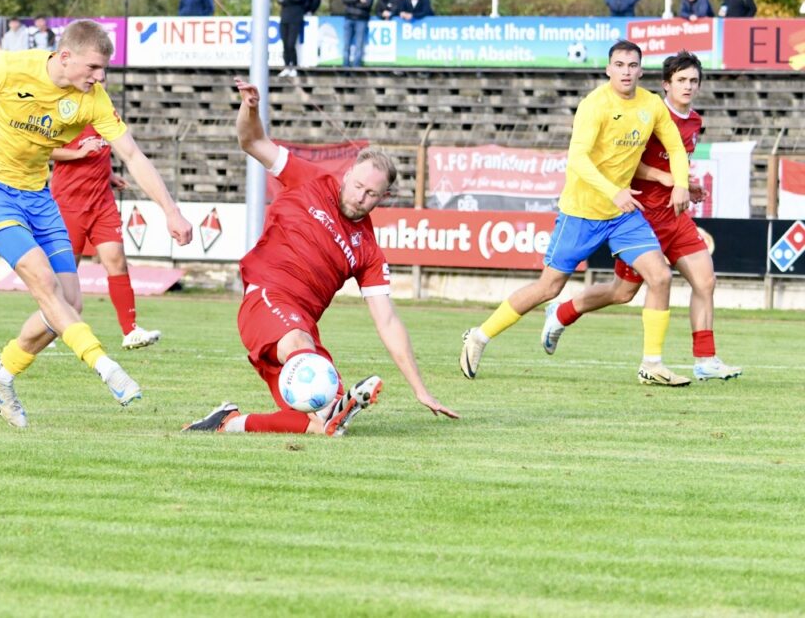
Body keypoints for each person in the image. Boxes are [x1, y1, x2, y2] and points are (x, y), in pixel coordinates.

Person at [0, 20, 193, 429]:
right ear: (65, 57)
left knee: (69, 302)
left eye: (104, 70)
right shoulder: (8, 68)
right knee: (46, 285)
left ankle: (1, 373)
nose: (99, 78)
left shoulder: (93, 99)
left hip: (37, 197)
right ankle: (107, 368)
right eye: (94, 68)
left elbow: (132, 156)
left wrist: (170, 210)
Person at [183, 79, 459, 435]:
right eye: (357, 186)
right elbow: (251, 141)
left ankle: (228, 423)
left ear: (383, 196)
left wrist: (421, 389)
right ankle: (330, 403)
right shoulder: (308, 178)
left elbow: (387, 321)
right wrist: (250, 108)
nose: (360, 197)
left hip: (303, 330)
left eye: (371, 193)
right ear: (347, 175)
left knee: (322, 423)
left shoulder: (369, 250)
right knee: (308, 361)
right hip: (266, 300)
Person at [460, 40, 693, 387]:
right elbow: (578, 160)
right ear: (608, 69)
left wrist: (681, 184)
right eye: (619, 65)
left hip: (622, 213)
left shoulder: (652, 104)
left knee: (659, 276)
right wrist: (614, 190)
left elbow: (674, 146)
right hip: (582, 211)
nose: (626, 71)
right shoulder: (594, 105)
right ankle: (478, 336)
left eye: (633, 65)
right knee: (548, 287)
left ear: (641, 70)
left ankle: (652, 364)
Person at [542, 51, 742, 382]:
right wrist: (667, 180)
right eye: (681, 80)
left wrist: (685, 186)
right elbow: (626, 162)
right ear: (666, 84)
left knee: (706, 280)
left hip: (675, 216)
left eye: (693, 81)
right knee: (622, 293)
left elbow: (675, 161)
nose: (688, 86)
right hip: (643, 215)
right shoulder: (647, 114)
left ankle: (705, 359)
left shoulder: (694, 121)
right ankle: (561, 312)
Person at [49, 125, 163, 350]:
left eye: (103, 85)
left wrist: (109, 175)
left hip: (102, 203)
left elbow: (103, 151)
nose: (99, 87)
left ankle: (130, 330)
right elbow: (44, 149)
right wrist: (79, 153)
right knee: (67, 269)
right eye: (98, 85)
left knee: (117, 262)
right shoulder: (64, 111)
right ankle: (52, 328)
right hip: (69, 203)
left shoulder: (104, 114)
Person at [277, 0, 311, 78]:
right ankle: (287, 66)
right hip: (284, 19)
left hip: (295, 20)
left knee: (291, 44)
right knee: (285, 44)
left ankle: (294, 66)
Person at [342, 0, 375, 67]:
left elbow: (367, 4)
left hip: (361, 19)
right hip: (349, 18)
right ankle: (345, 67)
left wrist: (353, 3)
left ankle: (356, 67)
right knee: (346, 44)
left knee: (359, 45)